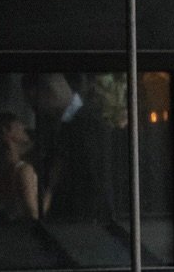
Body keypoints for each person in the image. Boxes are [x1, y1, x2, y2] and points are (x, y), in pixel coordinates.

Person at [22, 70, 110, 224]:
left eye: (34, 100)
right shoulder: (65, 125)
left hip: (82, 223)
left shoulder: (87, 124)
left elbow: (93, 178)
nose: (35, 108)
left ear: (49, 90)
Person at [0, 110, 39, 223]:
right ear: (6, 132)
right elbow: (34, 214)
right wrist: (52, 185)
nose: (23, 127)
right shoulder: (23, 170)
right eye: (17, 124)